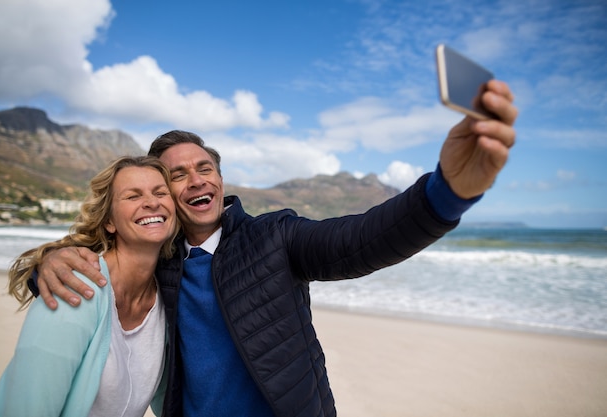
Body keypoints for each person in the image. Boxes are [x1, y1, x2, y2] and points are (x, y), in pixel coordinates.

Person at [25, 80, 517, 417]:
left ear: (219, 180)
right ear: (166, 195)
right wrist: (47, 262)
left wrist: (449, 191)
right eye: (177, 175)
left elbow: (363, 238)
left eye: (205, 168)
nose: (197, 179)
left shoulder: (274, 237)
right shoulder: (159, 262)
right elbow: (107, 259)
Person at [0, 156, 178, 417]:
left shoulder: (167, 296)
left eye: (160, 192)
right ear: (109, 221)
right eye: (132, 196)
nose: (152, 202)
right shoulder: (74, 286)